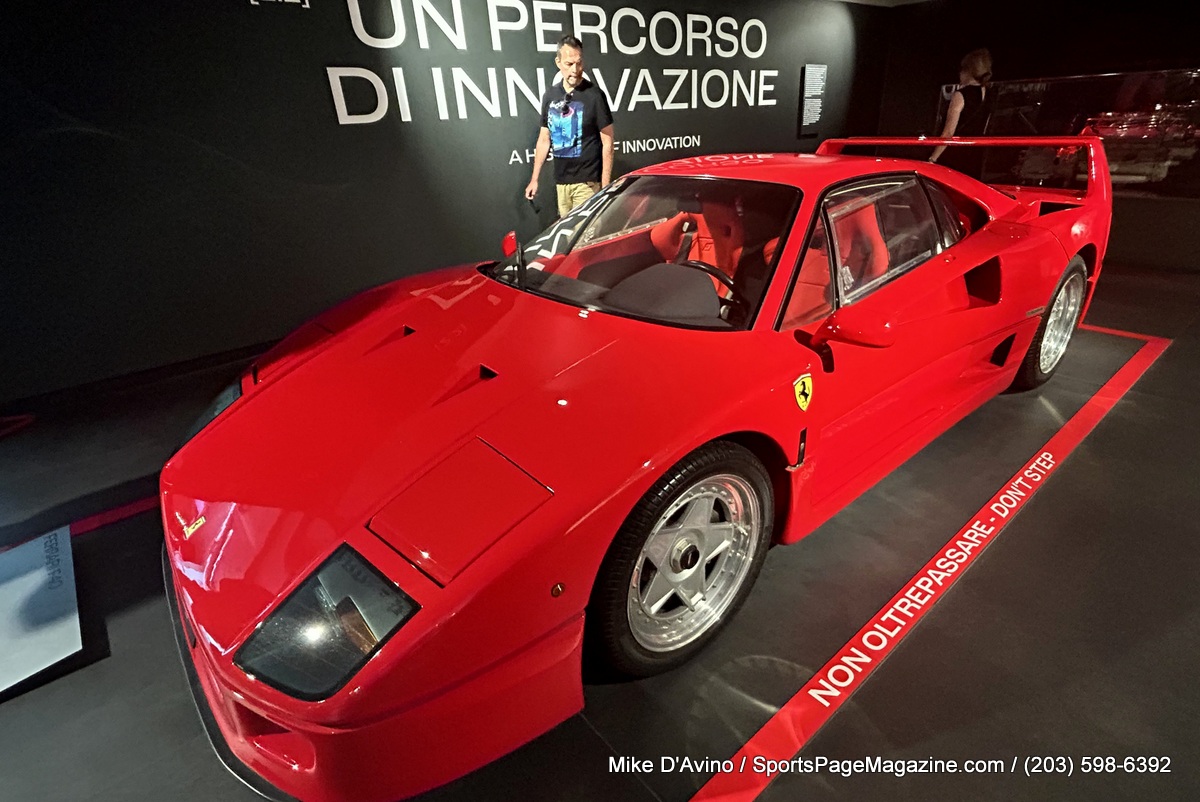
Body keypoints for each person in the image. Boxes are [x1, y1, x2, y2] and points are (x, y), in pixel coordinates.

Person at [524, 35, 614, 217]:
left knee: (584, 231)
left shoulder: (594, 95)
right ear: (558, 62)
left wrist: (605, 187)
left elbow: (608, 142)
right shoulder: (550, 96)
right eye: (569, 64)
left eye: (579, 63)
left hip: (587, 183)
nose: (575, 70)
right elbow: (544, 140)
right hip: (561, 183)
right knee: (567, 232)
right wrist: (534, 179)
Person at [930, 48, 993, 178]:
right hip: (975, 156)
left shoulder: (960, 95)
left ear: (968, 71)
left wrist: (933, 158)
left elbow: (948, 132)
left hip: (955, 156)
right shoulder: (988, 94)